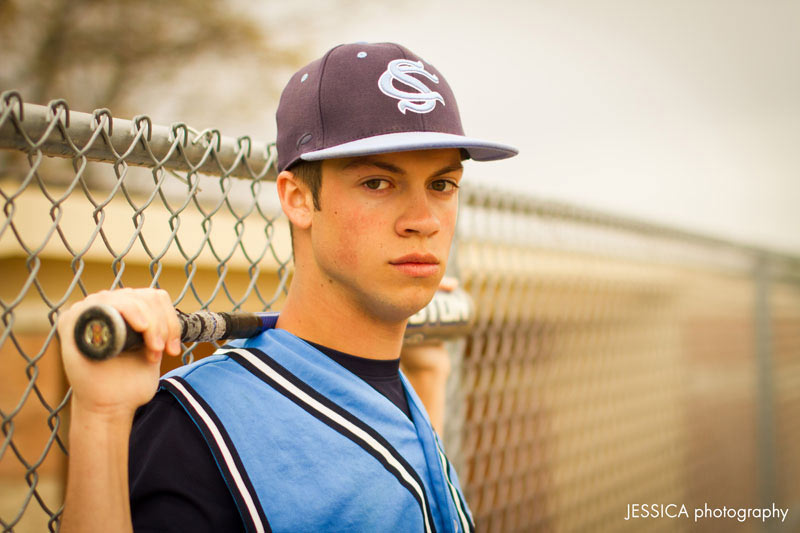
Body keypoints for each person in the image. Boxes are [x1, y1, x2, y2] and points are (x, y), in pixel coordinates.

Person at [57, 41, 517, 532]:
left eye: (442, 185)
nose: (423, 220)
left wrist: (427, 380)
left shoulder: (402, 391)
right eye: (378, 183)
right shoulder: (198, 428)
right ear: (298, 199)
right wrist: (102, 417)